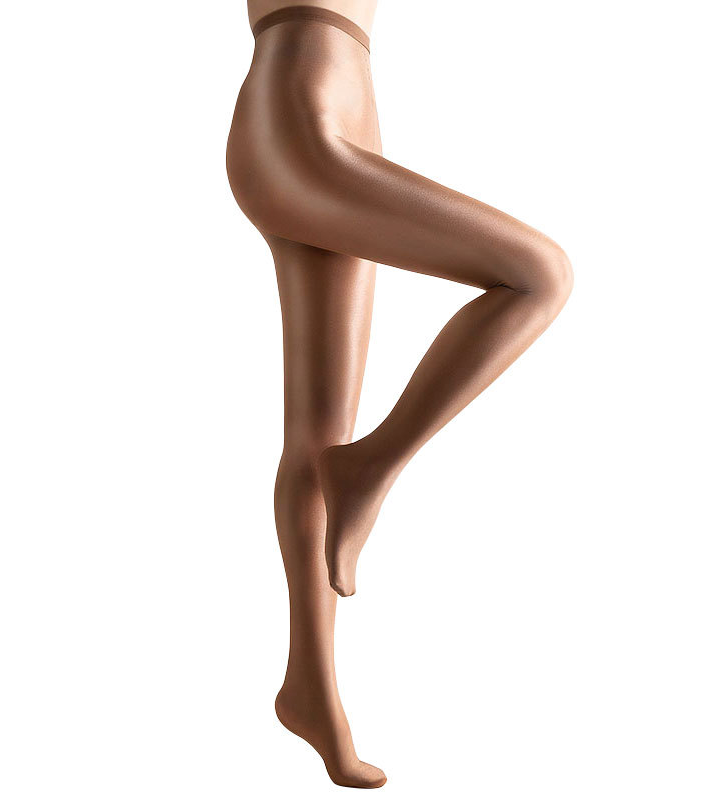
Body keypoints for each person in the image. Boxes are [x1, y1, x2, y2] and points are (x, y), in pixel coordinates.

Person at [227, 1, 573, 788]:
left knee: (316, 433)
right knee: (538, 275)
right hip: (298, 119)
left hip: (342, 115)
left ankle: (310, 686)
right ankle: (374, 465)